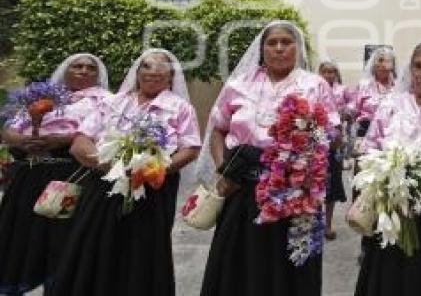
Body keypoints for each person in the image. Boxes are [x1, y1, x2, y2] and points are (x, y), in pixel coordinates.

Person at [198, 21, 338, 296]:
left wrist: (306, 154)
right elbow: (218, 130)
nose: (278, 48)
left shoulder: (314, 85)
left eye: (286, 42)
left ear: (298, 48)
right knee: (237, 263)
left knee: (288, 269)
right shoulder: (239, 84)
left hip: (294, 190)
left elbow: (331, 134)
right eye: (271, 43)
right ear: (261, 49)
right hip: (241, 187)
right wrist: (221, 170)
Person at [50, 49, 201, 296]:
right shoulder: (113, 103)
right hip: (104, 184)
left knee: (142, 248)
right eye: (147, 67)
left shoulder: (180, 108)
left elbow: (191, 147)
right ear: (136, 72)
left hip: (153, 189)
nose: (153, 73)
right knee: (95, 240)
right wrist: (108, 165)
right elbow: (80, 141)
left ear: (170, 77)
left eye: (161, 69)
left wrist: (157, 169)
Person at [354, 41, 421, 296]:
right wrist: (381, 176)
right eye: (418, 66)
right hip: (390, 221)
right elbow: (369, 148)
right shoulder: (392, 105)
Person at [0, 54, 110, 295]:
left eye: (91, 68)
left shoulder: (105, 101)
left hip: (69, 178)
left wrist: (58, 140)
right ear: (65, 70)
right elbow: (8, 130)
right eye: (77, 66)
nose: (83, 71)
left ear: (98, 75)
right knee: (21, 237)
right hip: (28, 176)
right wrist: (23, 140)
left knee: (60, 240)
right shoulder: (42, 95)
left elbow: (99, 134)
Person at [317, 59, 348, 240]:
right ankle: (316, 221)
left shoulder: (342, 91)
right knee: (315, 183)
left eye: (332, 72)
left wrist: (346, 112)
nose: (328, 75)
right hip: (315, 142)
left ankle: (328, 223)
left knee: (332, 184)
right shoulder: (313, 88)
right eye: (325, 71)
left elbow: (352, 108)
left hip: (334, 143)